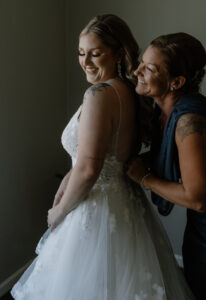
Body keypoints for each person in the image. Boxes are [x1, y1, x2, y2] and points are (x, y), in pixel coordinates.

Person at [11, 16, 194, 300]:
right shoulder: (131, 92)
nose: (86, 62)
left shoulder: (99, 94)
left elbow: (89, 168)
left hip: (95, 211)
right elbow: (95, 156)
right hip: (126, 206)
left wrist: (58, 213)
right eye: (81, 53)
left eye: (96, 54)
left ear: (118, 54)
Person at [127, 32, 206, 300]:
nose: (137, 71)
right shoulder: (164, 112)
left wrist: (144, 177)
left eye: (149, 68)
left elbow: (197, 199)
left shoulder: (188, 121)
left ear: (176, 82)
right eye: (141, 63)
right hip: (198, 230)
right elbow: (173, 155)